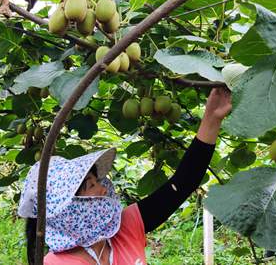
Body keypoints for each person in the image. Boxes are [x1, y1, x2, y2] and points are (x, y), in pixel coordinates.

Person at [18, 87, 232, 265]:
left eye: (98, 182)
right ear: (66, 209)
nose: (103, 189)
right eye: (90, 186)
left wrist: (211, 118)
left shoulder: (125, 228)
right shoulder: (57, 263)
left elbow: (183, 183)